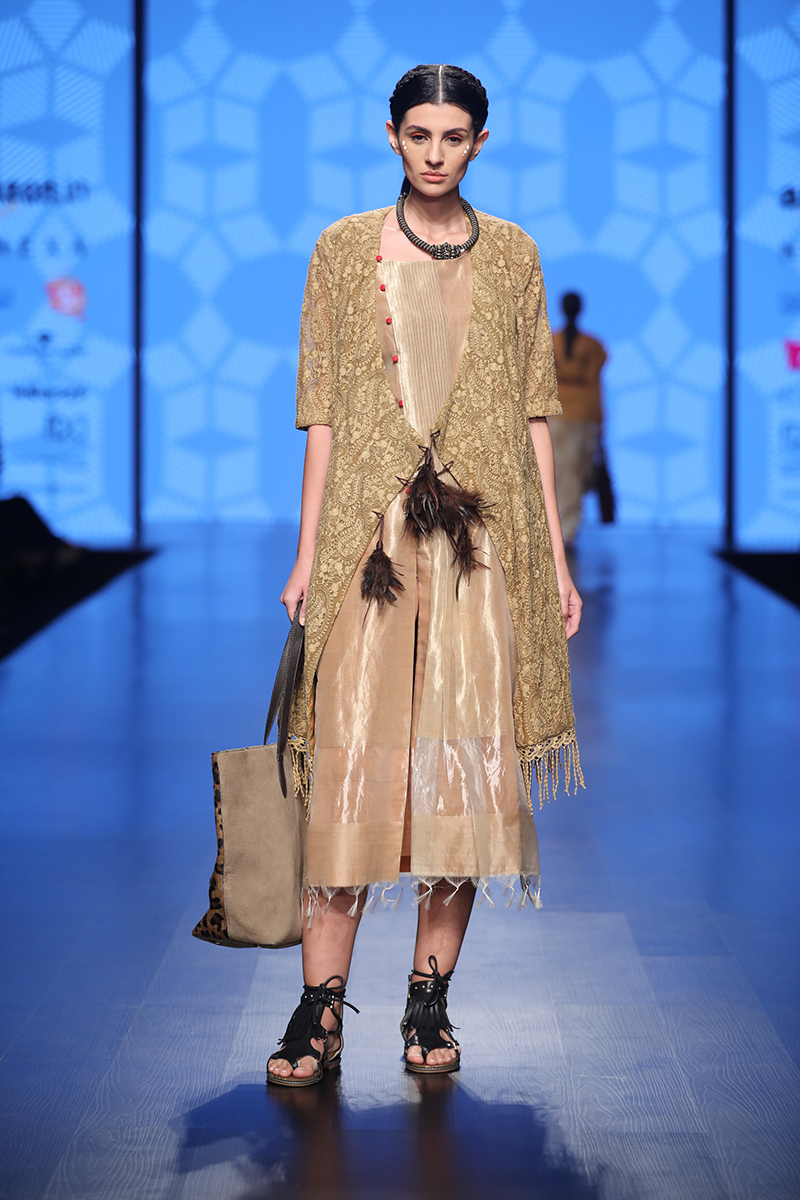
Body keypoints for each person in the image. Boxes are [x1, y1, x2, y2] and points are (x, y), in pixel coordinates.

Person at [268, 64, 583, 1087]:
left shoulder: (515, 253)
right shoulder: (341, 248)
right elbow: (321, 412)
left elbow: (533, 412)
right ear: (391, 136)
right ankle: (319, 1011)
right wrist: (307, 552)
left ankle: (427, 1002)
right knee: (350, 769)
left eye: (453, 136)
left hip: (480, 548)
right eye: (418, 134)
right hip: (369, 543)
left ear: (479, 142)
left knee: (459, 772)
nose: (435, 153)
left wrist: (555, 558)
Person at [549, 293, 608, 546]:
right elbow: (594, 385)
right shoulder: (589, 345)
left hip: (566, 414)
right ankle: (565, 529)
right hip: (571, 414)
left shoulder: (555, 341)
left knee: (565, 472)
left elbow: (594, 385)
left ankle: (564, 529)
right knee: (569, 472)